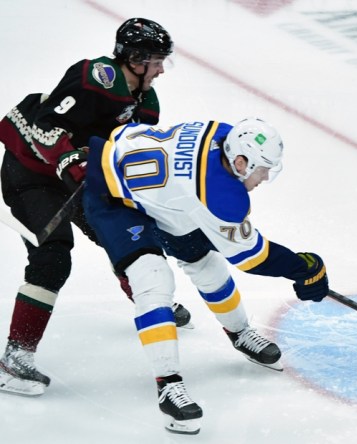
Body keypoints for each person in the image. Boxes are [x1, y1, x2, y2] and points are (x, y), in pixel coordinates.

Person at [81, 117, 329, 435]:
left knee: (206, 265)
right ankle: (168, 385)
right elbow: (253, 258)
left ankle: (239, 333)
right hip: (113, 200)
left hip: (163, 195)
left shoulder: (225, 133)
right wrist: (303, 267)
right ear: (240, 162)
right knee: (154, 280)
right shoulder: (222, 195)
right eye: (262, 168)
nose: (265, 177)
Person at [0, 18, 193, 398]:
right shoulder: (95, 77)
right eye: (156, 61)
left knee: (121, 233)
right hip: (32, 174)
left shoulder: (147, 101)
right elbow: (45, 126)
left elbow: (130, 149)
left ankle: (147, 298)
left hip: (80, 178)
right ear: (135, 58)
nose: (160, 70)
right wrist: (72, 162)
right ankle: (14, 356)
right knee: (52, 256)